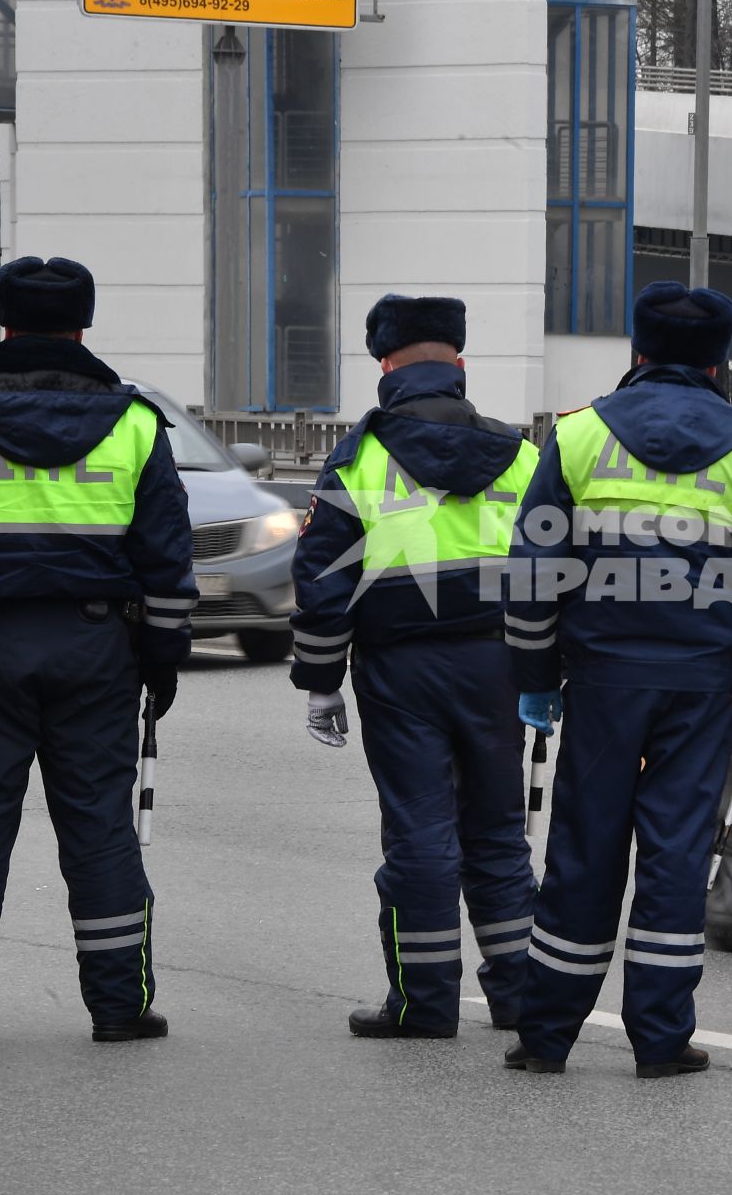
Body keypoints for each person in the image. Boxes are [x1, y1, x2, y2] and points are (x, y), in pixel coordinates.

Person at [0, 256, 196, 1046]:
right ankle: (120, 1008)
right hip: (98, 647)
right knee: (99, 826)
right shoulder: (135, 423)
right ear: (83, 326)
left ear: (2, 323)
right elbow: (167, 558)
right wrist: (162, 656)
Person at [502, 281, 732, 1078]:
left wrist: (535, 678)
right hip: (702, 687)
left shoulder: (577, 440)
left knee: (583, 847)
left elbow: (533, 573)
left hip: (601, 680)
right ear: (720, 362)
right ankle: (661, 1040)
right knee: (676, 855)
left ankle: (546, 1036)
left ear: (637, 351)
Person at [291, 294, 539, 1039]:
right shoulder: (520, 453)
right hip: (501, 666)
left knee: (421, 832)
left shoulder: (362, 456)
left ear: (384, 365)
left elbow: (322, 573)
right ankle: (521, 997)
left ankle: (424, 1003)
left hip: (401, 672)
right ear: (459, 363)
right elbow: (560, 567)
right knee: (498, 832)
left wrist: (319, 679)